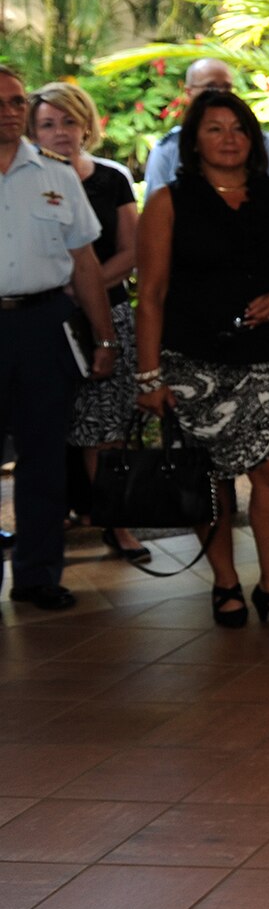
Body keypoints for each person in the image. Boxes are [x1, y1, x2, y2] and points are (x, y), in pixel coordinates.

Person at [133, 89, 269, 630]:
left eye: (237, 128)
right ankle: (224, 582)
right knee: (208, 476)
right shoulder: (169, 202)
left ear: (253, 138)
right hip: (194, 358)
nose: (228, 138)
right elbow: (150, 295)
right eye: (214, 129)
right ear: (194, 141)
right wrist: (149, 377)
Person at [0, 65, 116, 612]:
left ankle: (38, 574)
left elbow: (86, 262)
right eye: (0, 102)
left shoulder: (55, 173)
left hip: (43, 324)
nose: (9, 111)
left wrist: (105, 338)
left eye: (17, 101)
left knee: (44, 455)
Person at [28, 82, 146, 564]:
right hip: (46, 316)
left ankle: (116, 523)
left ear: (87, 125)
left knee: (106, 429)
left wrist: (85, 285)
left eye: (69, 121)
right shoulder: (24, 179)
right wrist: (65, 287)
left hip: (107, 315)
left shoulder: (112, 177)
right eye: (48, 124)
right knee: (46, 427)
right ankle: (51, 520)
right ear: (33, 132)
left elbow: (133, 251)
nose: (61, 132)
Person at [142, 59, 269, 189]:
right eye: (211, 87)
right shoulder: (168, 148)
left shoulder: (261, 142)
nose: (220, 94)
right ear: (189, 92)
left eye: (226, 87)